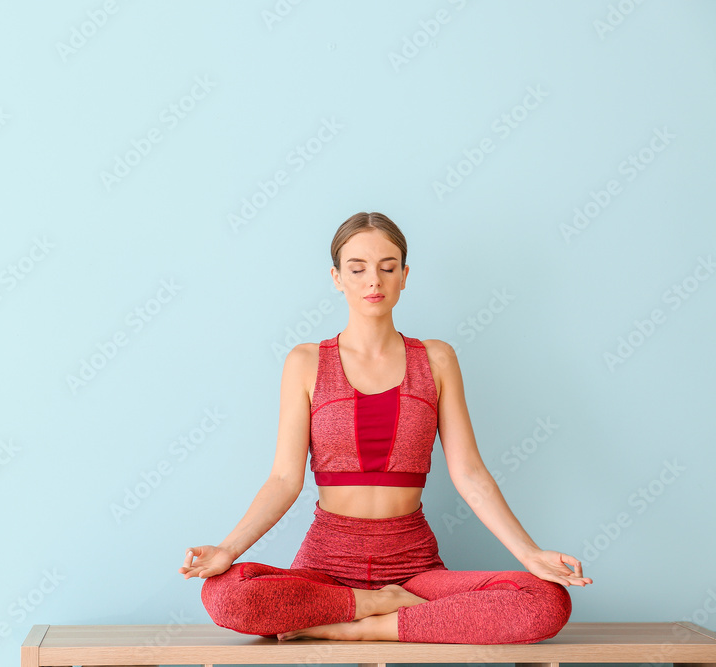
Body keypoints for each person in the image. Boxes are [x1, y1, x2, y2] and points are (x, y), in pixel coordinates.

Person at [177, 212, 593, 644]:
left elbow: (470, 473)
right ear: (337, 278)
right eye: (357, 269)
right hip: (326, 567)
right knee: (224, 596)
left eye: (387, 267)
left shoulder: (437, 360)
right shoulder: (305, 363)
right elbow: (284, 479)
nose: (373, 280)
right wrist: (227, 550)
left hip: (413, 570)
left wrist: (530, 553)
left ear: (404, 276)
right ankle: (375, 605)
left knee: (546, 600)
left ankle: (357, 629)